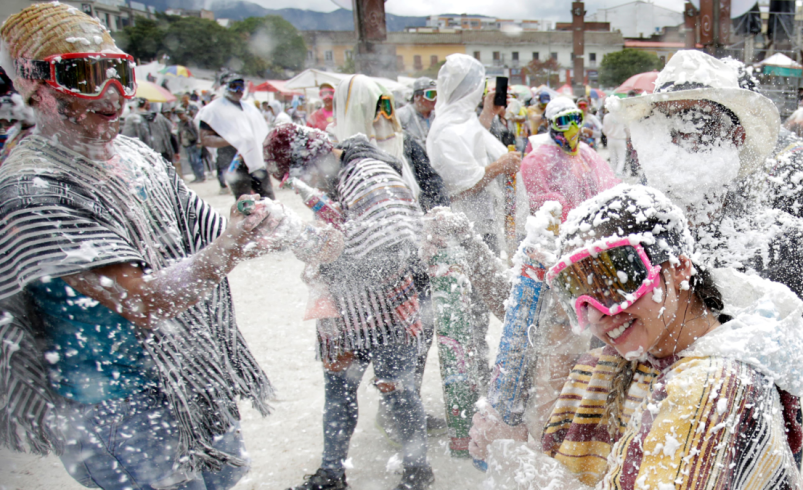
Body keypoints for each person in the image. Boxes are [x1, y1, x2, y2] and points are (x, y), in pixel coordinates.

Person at [0, 4, 278, 489]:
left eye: (119, 73)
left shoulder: (135, 155)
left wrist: (269, 227)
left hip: (191, 382)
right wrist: (233, 243)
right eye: (83, 75)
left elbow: (212, 233)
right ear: (36, 86)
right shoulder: (32, 188)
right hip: (115, 408)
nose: (111, 94)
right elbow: (142, 299)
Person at [470, 184, 803, 489]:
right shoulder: (628, 359)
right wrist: (518, 444)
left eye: (617, 279)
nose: (598, 313)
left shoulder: (714, 387)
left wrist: (511, 457)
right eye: (578, 293)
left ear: (679, 266)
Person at [264, 124, 434, 490]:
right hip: (345, 313)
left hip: (388, 309)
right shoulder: (338, 176)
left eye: (302, 173)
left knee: (399, 392)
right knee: (339, 395)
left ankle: (417, 470)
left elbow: (397, 239)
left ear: (317, 158)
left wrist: (321, 246)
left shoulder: (368, 173)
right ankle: (331, 472)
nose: (305, 182)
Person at [427, 54, 524, 388]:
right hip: (463, 233)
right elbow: (462, 179)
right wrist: (502, 165)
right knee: (472, 313)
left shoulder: (462, 121)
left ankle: (481, 378)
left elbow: (473, 138)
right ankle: (472, 383)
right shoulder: (442, 130)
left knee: (484, 307)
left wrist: (487, 113)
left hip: (483, 228)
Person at [521, 98, 619, 221]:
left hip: (588, 225)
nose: (572, 127)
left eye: (576, 120)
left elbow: (606, 185)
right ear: (551, 124)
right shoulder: (538, 159)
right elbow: (534, 200)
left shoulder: (586, 153)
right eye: (564, 121)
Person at [197, 73, 272, 198]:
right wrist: (232, 140)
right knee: (245, 202)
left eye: (241, 86)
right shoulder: (211, 110)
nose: (238, 90)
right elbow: (205, 139)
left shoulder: (250, 108)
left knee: (269, 200)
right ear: (223, 87)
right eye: (233, 86)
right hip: (233, 161)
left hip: (256, 160)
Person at [122, 98, 176, 164]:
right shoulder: (158, 116)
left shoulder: (132, 119)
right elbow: (170, 131)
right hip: (163, 153)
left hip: (147, 157)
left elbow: (126, 139)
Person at [397, 77, 437, 147]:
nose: (435, 99)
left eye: (437, 95)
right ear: (417, 96)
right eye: (431, 95)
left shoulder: (436, 116)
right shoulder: (402, 116)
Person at [177, 106, 205, 183]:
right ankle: (197, 176)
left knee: (197, 161)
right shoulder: (180, 123)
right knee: (191, 161)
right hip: (187, 144)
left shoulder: (190, 121)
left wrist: (199, 142)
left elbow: (198, 131)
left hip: (194, 143)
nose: (180, 116)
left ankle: (201, 176)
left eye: (181, 114)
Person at [601, 103, 628, 176]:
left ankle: (612, 174)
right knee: (621, 158)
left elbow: (604, 130)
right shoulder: (622, 116)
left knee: (613, 158)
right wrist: (628, 136)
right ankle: (618, 173)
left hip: (610, 140)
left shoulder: (607, 117)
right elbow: (627, 129)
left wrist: (609, 134)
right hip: (621, 139)